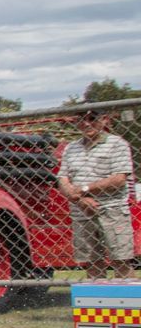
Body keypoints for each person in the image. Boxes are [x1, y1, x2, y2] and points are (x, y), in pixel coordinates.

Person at [58, 110, 134, 279]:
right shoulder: (71, 148)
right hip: (81, 212)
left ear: (104, 120)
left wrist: (84, 189)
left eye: (92, 118)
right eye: (81, 119)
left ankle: (126, 296)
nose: (86, 123)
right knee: (92, 264)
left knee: (121, 262)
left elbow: (119, 179)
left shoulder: (117, 144)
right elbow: (62, 179)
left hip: (112, 211)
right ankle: (96, 294)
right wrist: (80, 200)